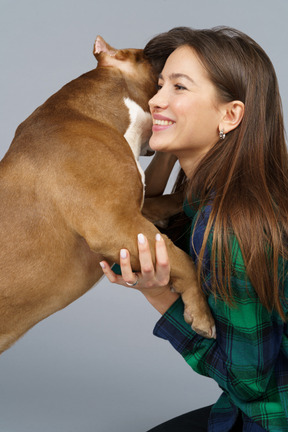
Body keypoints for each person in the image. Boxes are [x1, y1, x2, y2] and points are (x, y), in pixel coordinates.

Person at [99, 26, 288, 431]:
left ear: (230, 115)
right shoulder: (223, 197)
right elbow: (143, 217)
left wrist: (158, 297)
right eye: (159, 84)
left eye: (179, 88)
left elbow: (248, 384)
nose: (155, 99)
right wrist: (163, 147)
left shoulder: (230, 228)